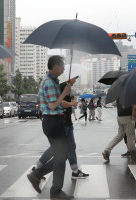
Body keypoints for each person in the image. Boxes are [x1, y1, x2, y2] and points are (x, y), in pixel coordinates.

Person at [27, 55, 73, 199]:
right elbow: (53, 105)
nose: (64, 68)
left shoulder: (52, 82)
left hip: (53, 122)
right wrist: (64, 93)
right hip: (53, 122)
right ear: (56, 66)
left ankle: (52, 187)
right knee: (62, 155)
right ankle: (40, 177)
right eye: (62, 66)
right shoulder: (49, 83)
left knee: (62, 155)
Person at [32, 76, 89, 180]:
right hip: (62, 123)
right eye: (74, 78)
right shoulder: (61, 86)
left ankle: (75, 171)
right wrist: (72, 103)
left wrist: (71, 102)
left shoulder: (67, 87)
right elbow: (60, 104)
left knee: (71, 147)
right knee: (57, 149)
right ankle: (38, 169)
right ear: (69, 77)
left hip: (68, 122)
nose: (75, 80)